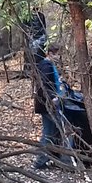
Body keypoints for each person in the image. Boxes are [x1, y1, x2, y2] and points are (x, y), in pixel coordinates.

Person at [32, 39, 75, 170]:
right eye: (57, 54)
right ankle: (58, 162)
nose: (58, 57)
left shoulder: (49, 65)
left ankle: (47, 159)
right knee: (58, 131)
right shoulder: (46, 65)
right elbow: (44, 85)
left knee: (52, 132)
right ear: (50, 53)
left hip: (49, 104)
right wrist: (52, 98)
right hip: (48, 105)